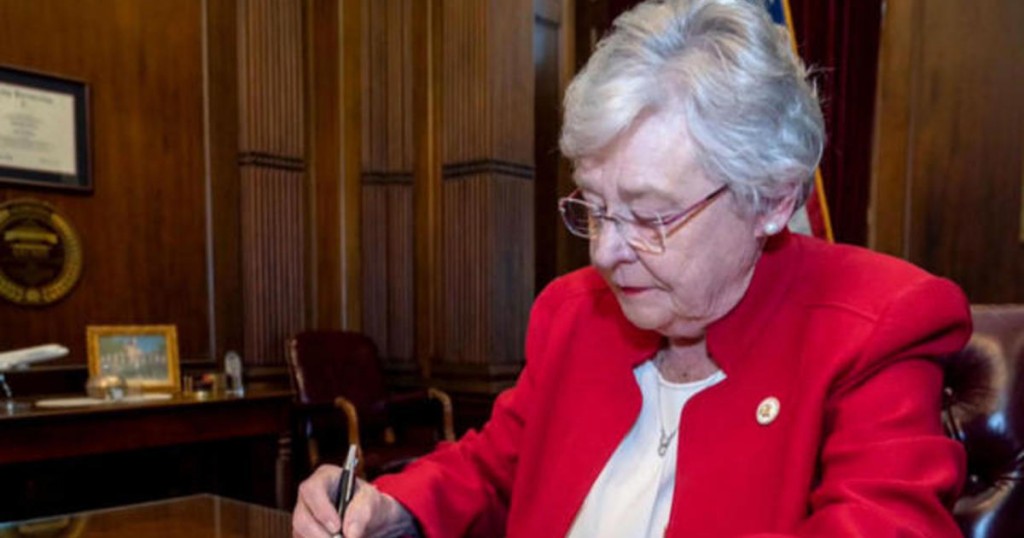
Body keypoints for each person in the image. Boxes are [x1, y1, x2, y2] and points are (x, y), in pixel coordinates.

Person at [293, 0, 971, 536]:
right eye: (594, 207)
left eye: (650, 216)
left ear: (771, 199)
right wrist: (392, 509)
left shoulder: (878, 324)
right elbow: (495, 466)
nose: (605, 252)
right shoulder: (574, 312)